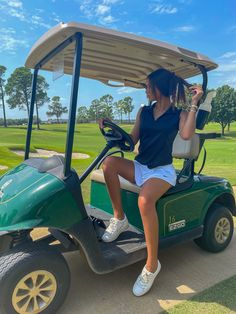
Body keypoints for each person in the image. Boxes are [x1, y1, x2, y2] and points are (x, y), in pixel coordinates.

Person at [99, 68, 203, 297]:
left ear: (159, 89)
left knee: (145, 201)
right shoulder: (143, 112)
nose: (145, 90)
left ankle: (152, 265)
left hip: (162, 171)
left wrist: (194, 102)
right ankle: (119, 218)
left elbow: (186, 135)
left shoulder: (178, 114)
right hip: (141, 167)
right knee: (109, 164)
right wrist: (108, 129)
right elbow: (131, 141)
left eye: (148, 86)